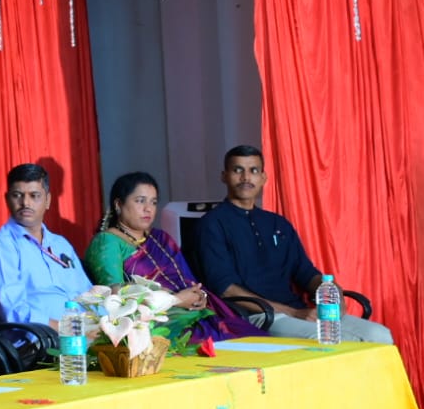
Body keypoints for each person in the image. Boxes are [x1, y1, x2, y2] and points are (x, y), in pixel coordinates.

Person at [194, 146, 392, 343]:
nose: (246, 177)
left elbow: (305, 272)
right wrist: (293, 313)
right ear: (224, 176)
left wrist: (332, 290)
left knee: (379, 335)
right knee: (336, 339)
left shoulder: (278, 223)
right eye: (238, 170)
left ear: (263, 177)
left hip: (298, 312)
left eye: (253, 170)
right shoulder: (212, 224)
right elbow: (226, 288)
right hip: (255, 316)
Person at [84, 172, 260, 344]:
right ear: (118, 204)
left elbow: (186, 280)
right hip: (158, 325)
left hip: (196, 313)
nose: (148, 208)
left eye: (153, 202)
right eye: (140, 201)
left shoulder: (160, 239)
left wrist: (200, 296)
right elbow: (115, 295)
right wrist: (175, 300)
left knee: (252, 340)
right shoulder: (107, 242)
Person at [0, 163, 92, 329]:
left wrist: (105, 324)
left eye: (34, 195)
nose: (25, 203)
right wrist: (69, 329)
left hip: (85, 331)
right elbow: (14, 311)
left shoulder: (61, 244)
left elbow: (88, 294)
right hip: (44, 338)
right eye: (17, 195)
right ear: (7, 199)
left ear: (47, 200)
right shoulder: (1, 247)